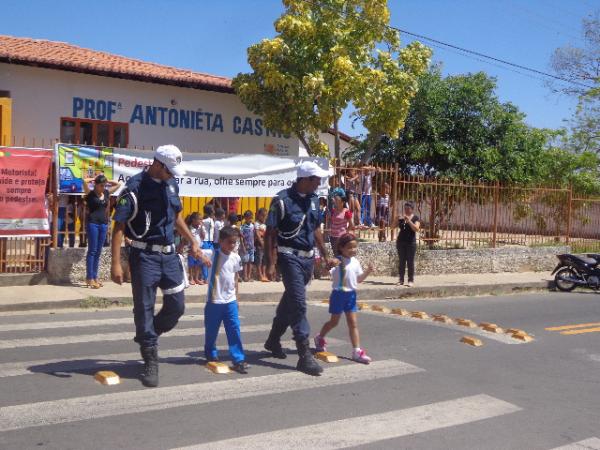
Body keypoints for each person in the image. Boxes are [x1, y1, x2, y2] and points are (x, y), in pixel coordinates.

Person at [111, 144, 210, 388]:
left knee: (176, 306)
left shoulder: (171, 184)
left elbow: (176, 217)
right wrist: (116, 264)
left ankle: (149, 333)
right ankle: (149, 356)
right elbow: (119, 227)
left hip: (169, 256)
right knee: (144, 306)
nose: (173, 175)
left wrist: (193, 241)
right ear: (157, 164)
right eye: (170, 170)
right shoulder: (134, 188)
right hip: (144, 256)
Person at [264, 161, 339, 376]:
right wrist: (270, 262)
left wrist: (326, 256)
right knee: (299, 304)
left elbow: (316, 229)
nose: (319, 183)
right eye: (317, 179)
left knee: (290, 302)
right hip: (288, 257)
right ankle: (304, 355)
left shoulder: (315, 201)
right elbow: (270, 233)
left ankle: (272, 339)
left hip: (307, 260)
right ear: (305, 179)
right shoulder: (282, 200)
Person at [314, 233, 373, 363]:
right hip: (338, 295)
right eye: (349, 247)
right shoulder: (337, 261)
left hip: (351, 295)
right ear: (341, 248)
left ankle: (356, 351)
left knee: (353, 323)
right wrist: (329, 265)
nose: (353, 250)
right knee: (334, 322)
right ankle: (320, 337)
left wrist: (367, 272)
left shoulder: (356, 262)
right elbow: (324, 273)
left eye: (354, 247)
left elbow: (358, 280)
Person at [204, 225, 248, 374]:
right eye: (229, 242)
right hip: (214, 302)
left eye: (234, 242)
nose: (232, 245)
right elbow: (195, 252)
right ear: (221, 241)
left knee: (234, 329)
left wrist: (237, 297)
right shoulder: (212, 254)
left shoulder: (235, 257)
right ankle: (211, 354)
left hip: (230, 301)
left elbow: (236, 278)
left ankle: (238, 359)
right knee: (211, 331)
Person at [83, 174, 122, 288]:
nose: (103, 187)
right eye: (101, 185)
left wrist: (106, 180)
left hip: (103, 224)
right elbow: (84, 181)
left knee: (98, 252)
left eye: (104, 185)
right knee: (92, 251)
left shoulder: (105, 193)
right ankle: (89, 278)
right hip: (93, 224)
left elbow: (118, 184)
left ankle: (95, 277)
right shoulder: (90, 194)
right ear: (96, 185)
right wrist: (94, 179)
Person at [394, 201, 420, 287]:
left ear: (412, 209)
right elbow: (392, 227)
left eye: (408, 208)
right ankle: (401, 280)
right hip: (401, 242)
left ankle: (410, 280)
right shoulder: (401, 218)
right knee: (401, 261)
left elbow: (416, 229)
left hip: (410, 243)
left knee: (410, 262)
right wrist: (396, 219)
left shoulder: (415, 218)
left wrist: (409, 221)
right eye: (405, 208)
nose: (406, 210)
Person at [181, 212, 205, 285]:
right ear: (193, 220)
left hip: (199, 248)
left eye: (201, 219)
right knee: (191, 264)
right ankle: (191, 278)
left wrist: (202, 229)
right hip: (191, 249)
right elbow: (185, 239)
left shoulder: (200, 228)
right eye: (199, 219)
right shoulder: (189, 228)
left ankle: (196, 278)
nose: (201, 221)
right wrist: (183, 246)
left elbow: (203, 237)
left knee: (198, 263)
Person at [328, 187, 353, 254]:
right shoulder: (333, 211)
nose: (333, 199)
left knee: (341, 255)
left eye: (336, 198)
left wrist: (345, 233)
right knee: (335, 254)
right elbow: (331, 222)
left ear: (343, 200)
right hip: (332, 237)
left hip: (341, 238)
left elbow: (351, 225)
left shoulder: (346, 212)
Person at [200, 204, 216, 283]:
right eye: (213, 209)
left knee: (209, 259)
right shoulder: (206, 220)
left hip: (210, 241)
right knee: (205, 260)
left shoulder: (211, 219)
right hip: (206, 241)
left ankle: (208, 276)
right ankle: (205, 277)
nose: (214, 210)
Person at [240, 210, 255, 282]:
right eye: (249, 218)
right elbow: (241, 237)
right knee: (245, 262)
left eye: (251, 218)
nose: (250, 219)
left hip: (252, 246)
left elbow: (253, 235)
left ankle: (249, 276)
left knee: (251, 261)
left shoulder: (252, 226)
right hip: (246, 247)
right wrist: (243, 246)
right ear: (245, 218)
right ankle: (245, 276)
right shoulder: (242, 227)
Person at [254, 207, 269, 282]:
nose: (264, 217)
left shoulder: (265, 224)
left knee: (264, 260)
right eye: (262, 215)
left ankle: (264, 274)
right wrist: (262, 243)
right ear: (259, 215)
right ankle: (260, 275)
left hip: (266, 244)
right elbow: (257, 234)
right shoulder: (257, 223)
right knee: (259, 260)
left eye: (265, 215)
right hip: (259, 245)